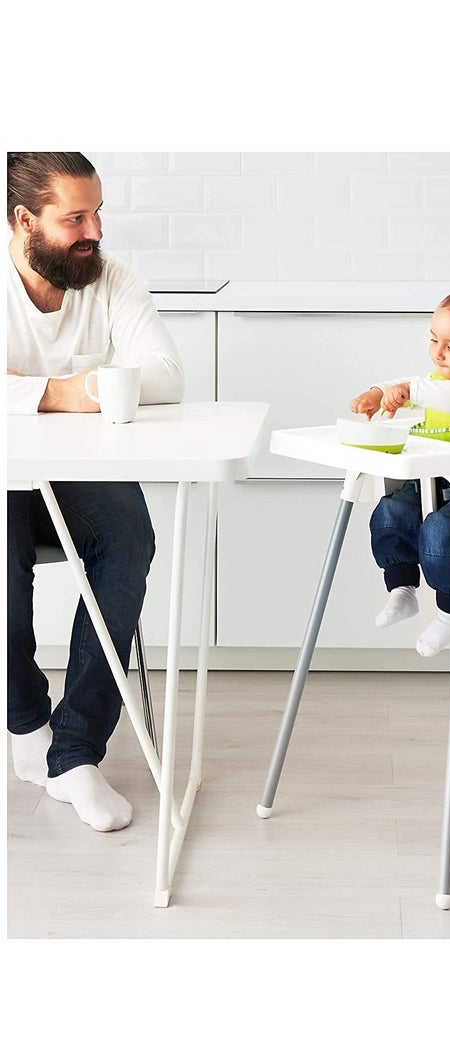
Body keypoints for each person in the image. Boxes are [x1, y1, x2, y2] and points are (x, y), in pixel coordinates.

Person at [6, 152, 184, 832]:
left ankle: (75, 751)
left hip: (80, 471)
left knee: (130, 539)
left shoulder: (113, 280)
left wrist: (23, 389)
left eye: (97, 213)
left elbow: (165, 375)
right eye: (74, 217)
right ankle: (27, 722)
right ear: (25, 221)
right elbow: (126, 381)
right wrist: (69, 389)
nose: (93, 231)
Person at [349, 283, 450, 657]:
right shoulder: (440, 379)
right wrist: (379, 393)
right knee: (389, 510)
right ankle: (402, 588)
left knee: (439, 530)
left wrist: (411, 390)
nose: (438, 354)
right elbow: (418, 386)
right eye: (433, 340)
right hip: (437, 478)